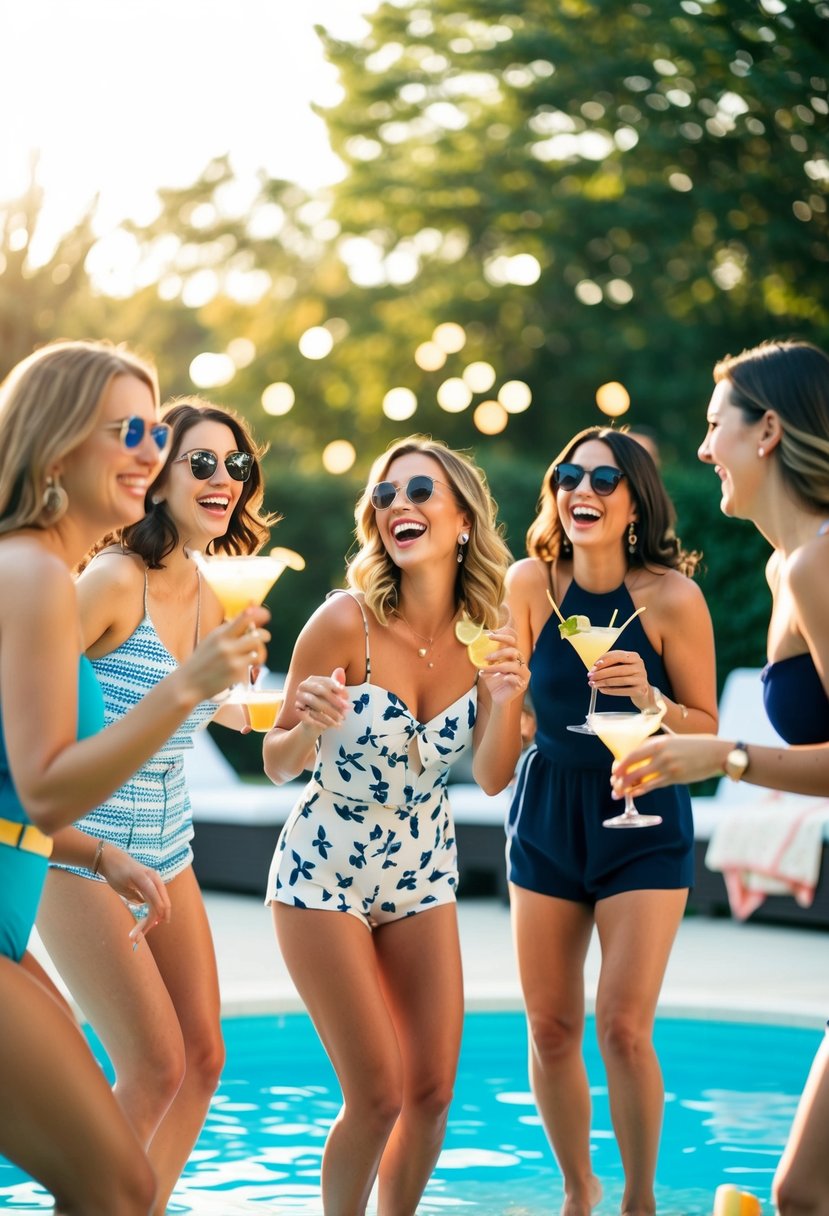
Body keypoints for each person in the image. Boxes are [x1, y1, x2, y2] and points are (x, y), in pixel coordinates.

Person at [0, 342, 268, 1216]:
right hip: (61, 867)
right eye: (130, 431)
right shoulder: (49, 575)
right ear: (58, 442)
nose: (149, 449)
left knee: (130, 1149)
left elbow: (21, 791)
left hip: (75, 867)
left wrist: (103, 854)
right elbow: (43, 784)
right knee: (117, 1166)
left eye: (154, 428)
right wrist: (188, 686)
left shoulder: (37, 567)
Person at [263, 436, 528, 1215]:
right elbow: (279, 761)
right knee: (376, 1095)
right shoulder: (342, 622)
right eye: (384, 495)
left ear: (462, 522)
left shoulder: (488, 626)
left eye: (419, 491)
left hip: (422, 869)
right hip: (323, 870)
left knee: (432, 1092)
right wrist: (306, 725)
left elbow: (488, 779)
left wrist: (505, 700)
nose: (397, 506)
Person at [610, 340, 829, 1216]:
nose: (702, 451)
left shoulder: (816, 564)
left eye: (714, 427)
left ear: (767, 430)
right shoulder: (789, 567)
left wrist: (728, 757)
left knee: (801, 1191)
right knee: (802, 1191)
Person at [505, 426, 717, 1216]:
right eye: (566, 475)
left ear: (634, 501)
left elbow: (705, 726)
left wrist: (654, 701)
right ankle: (577, 1190)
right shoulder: (531, 584)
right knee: (551, 1026)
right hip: (549, 809)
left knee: (621, 1025)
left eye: (601, 478)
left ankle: (637, 1200)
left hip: (645, 805)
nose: (579, 490)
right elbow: (510, 700)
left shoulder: (672, 598)